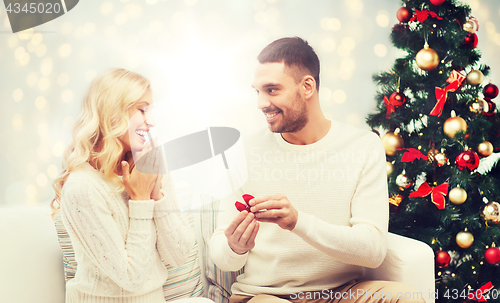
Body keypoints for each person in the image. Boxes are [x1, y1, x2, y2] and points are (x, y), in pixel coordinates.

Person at [209, 37, 425, 303]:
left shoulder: (362, 146)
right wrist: (234, 247)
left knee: (406, 297)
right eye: (257, 91)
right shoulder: (242, 152)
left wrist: (298, 222)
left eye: (272, 90)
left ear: (307, 86)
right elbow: (220, 255)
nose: (261, 103)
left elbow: (373, 250)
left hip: (342, 292)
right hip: (268, 296)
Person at [50, 68, 210, 303]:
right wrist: (141, 200)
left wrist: (157, 195)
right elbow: (131, 278)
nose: (152, 121)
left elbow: (179, 255)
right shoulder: (82, 187)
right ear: (112, 113)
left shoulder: (149, 167)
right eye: (142, 109)